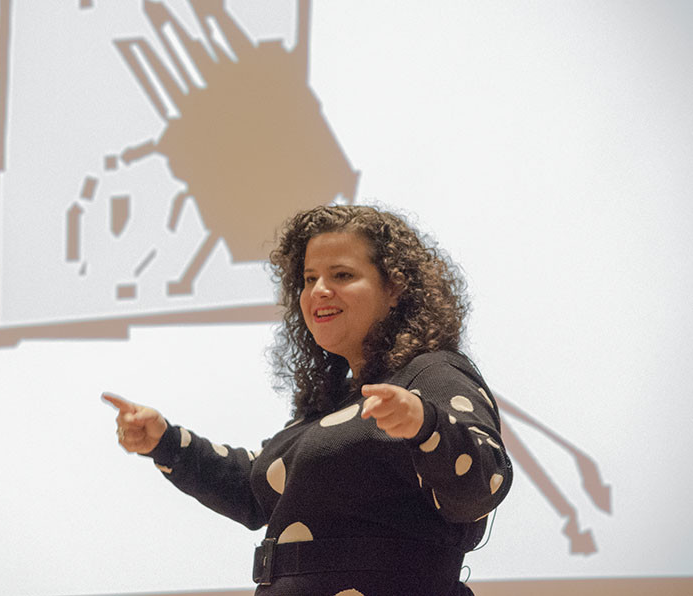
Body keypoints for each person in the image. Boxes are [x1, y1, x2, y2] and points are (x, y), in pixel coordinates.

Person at [103, 205, 512, 595]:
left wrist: (425, 424)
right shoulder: (330, 405)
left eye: (342, 274)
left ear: (395, 288)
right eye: (309, 278)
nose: (319, 290)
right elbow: (253, 489)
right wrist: (165, 442)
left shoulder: (433, 373)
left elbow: (483, 485)